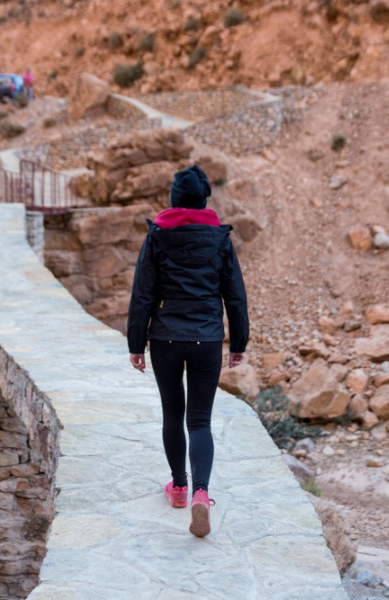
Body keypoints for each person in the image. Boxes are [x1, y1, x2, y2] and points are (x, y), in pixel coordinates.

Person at [127, 164, 249, 538]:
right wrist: (238, 343)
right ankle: (201, 493)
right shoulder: (219, 239)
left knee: (172, 414)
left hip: (165, 339)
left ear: (174, 199)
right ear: (204, 198)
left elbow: (143, 294)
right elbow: (235, 296)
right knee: (199, 421)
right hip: (207, 339)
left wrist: (136, 344)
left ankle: (178, 487)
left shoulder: (158, 237)